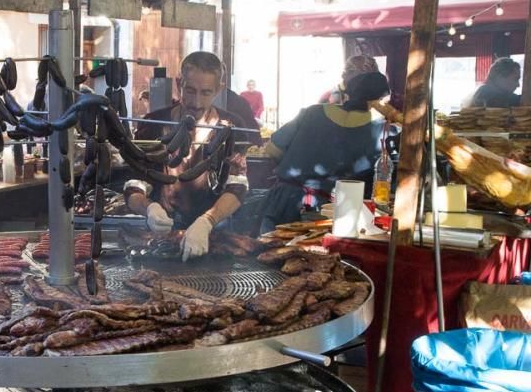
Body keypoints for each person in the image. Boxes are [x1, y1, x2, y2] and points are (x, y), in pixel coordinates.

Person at [131, 51, 250, 261]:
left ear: (218, 90)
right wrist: (149, 208)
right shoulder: (153, 124)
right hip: (162, 234)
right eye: (190, 90)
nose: (196, 102)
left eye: (205, 93)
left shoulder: (232, 127)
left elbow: (237, 186)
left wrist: (207, 222)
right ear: (179, 83)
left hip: (215, 233)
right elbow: (134, 184)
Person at [260, 72, 391, 233]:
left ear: (348, 94)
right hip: (332, 214)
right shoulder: (383, 131)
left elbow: (272, 149)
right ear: (381, 101)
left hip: (282, 202)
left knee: (268, 252)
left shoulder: (312, 112)